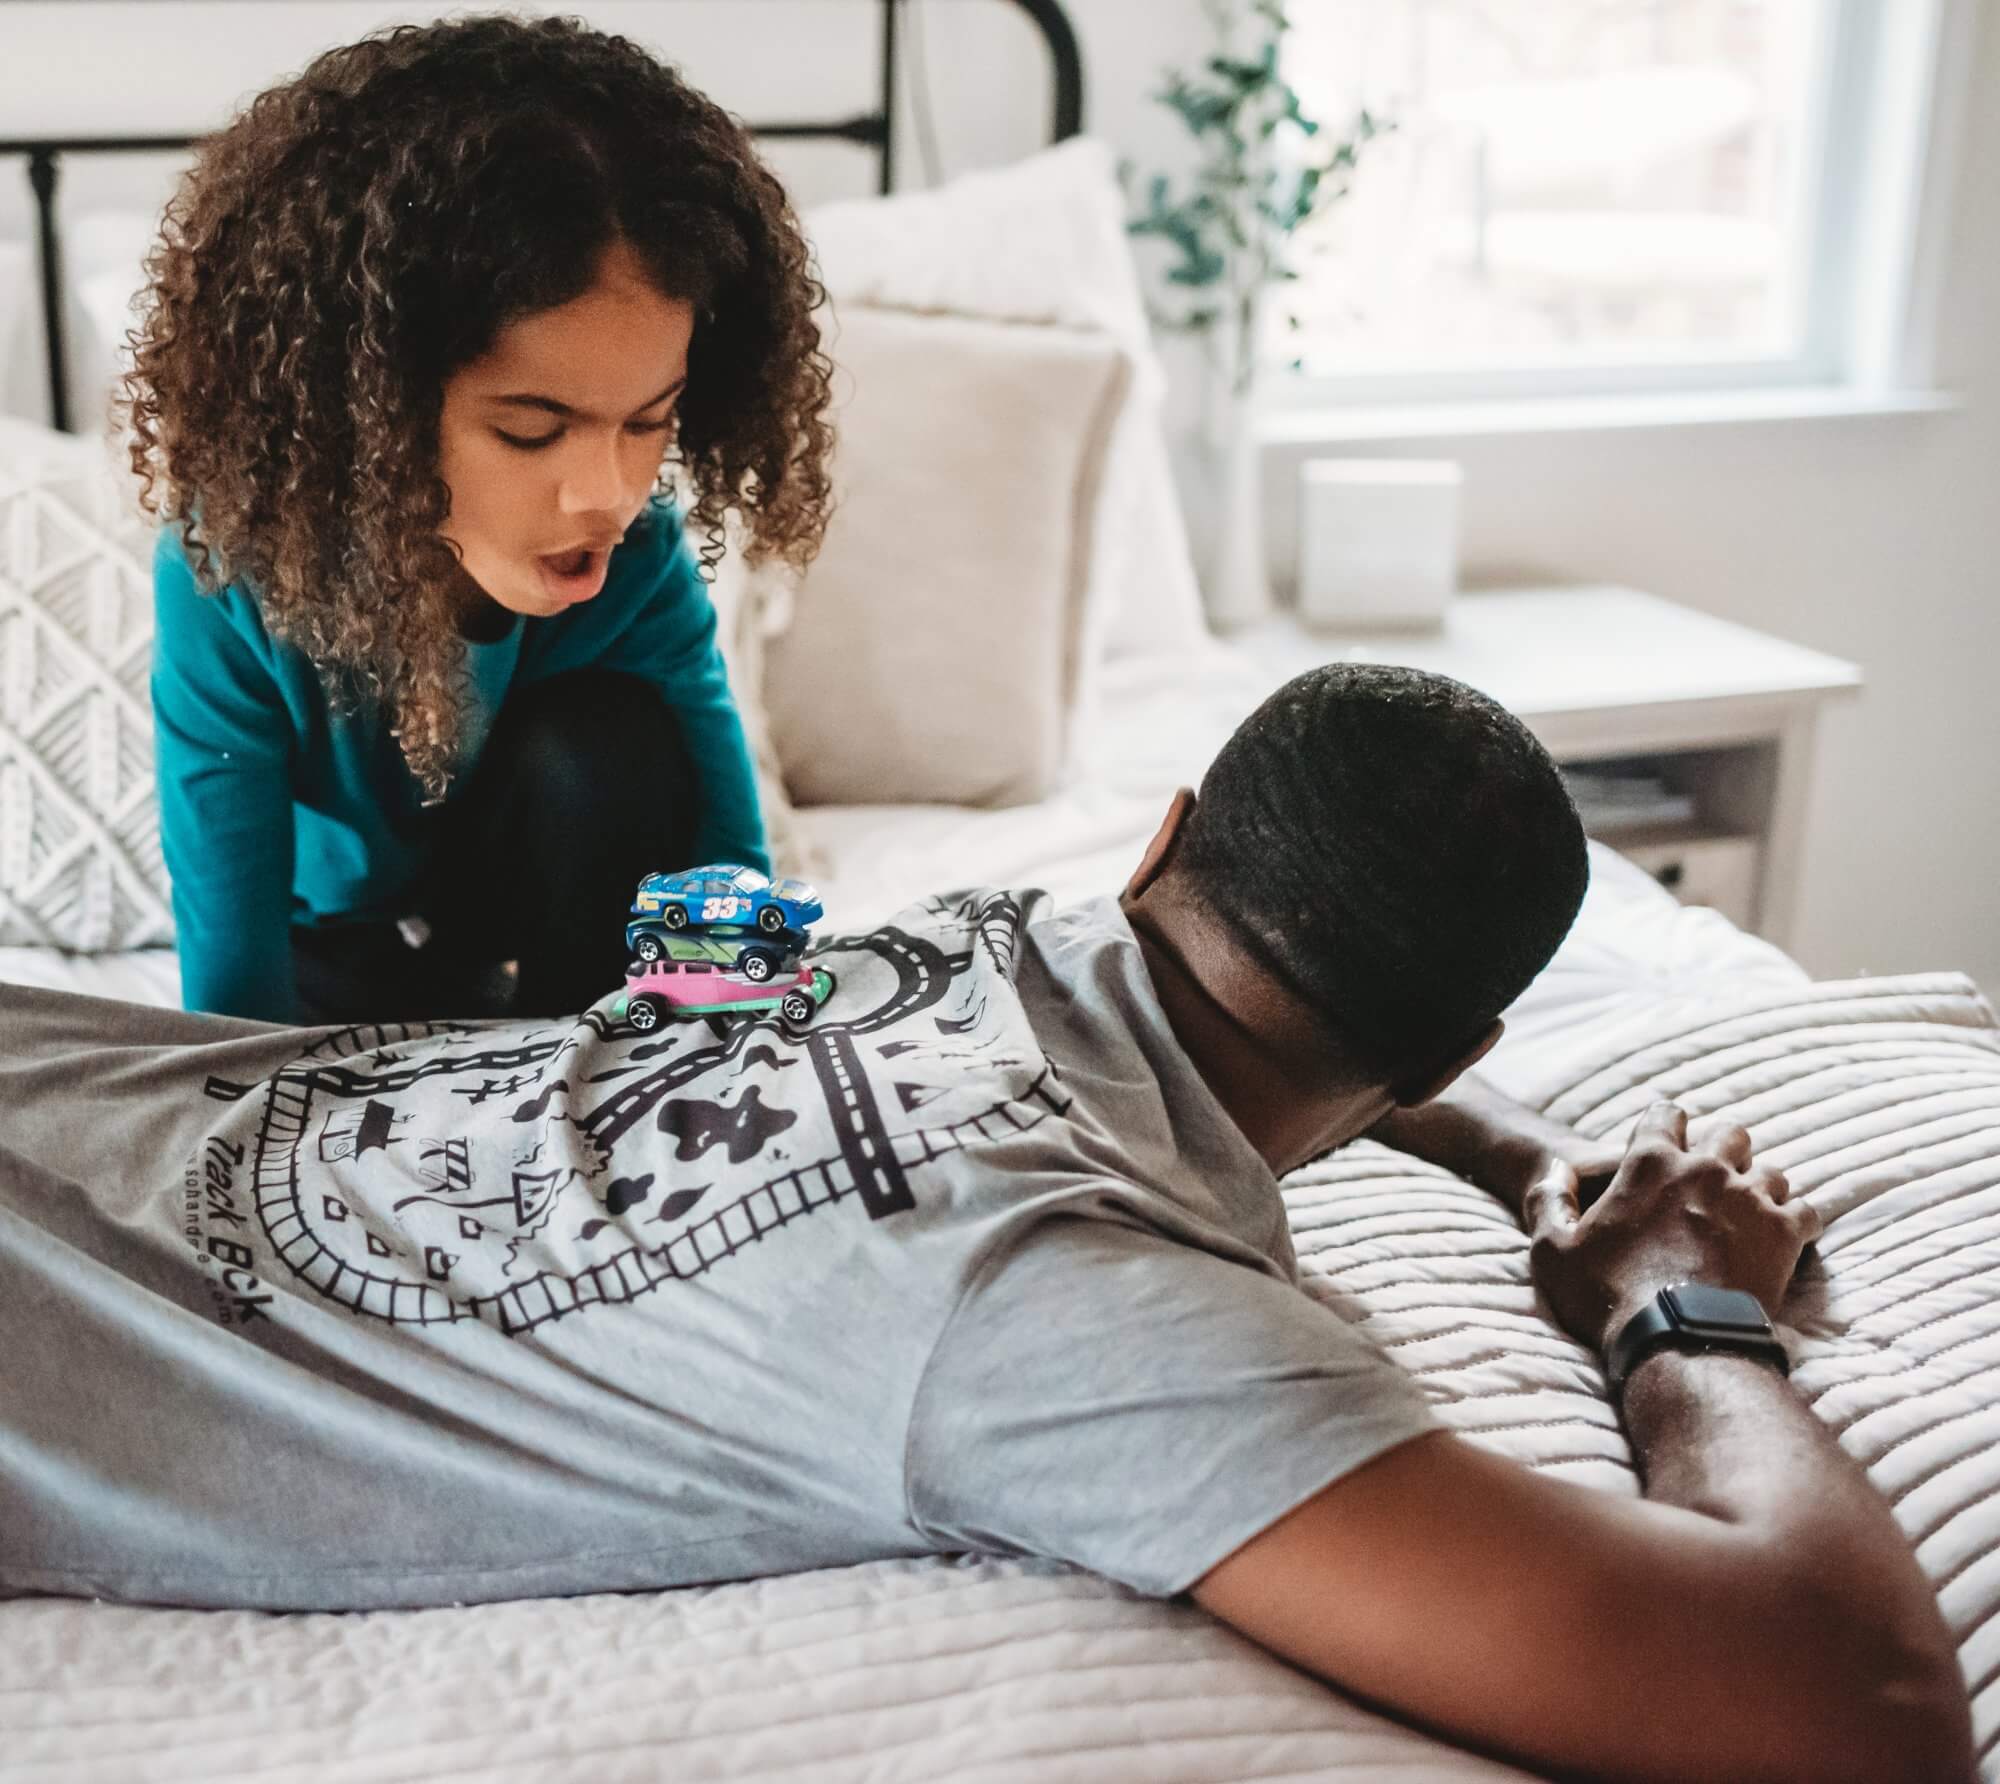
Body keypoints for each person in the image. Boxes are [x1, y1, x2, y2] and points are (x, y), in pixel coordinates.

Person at [0, 663, 1971, 1784]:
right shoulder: (1081, 1306)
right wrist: (1678, 1299)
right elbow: (1859, 1711)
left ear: (1159, 840)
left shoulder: (995, 931)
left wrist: (1527, 1164)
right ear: (1450, 1031)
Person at [120, 13, 833, 1027]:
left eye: (648, 421)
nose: (606, 492)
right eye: (533, 430)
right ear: (368, 415)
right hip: (329, 948)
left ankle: (578, 1071)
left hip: (530, 932)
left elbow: (720, 835)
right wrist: (234, 1091)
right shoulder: (230, 568)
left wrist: (758, 1032)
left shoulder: (638, 558)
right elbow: (227, 911)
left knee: (614, 742)